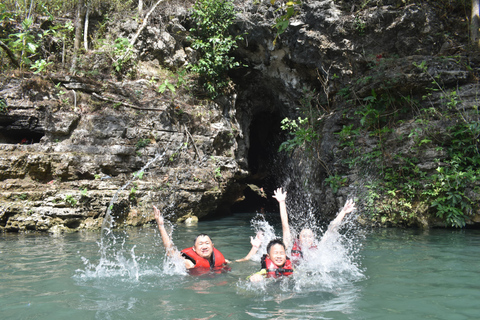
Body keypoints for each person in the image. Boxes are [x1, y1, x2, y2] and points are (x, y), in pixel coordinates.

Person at [272, 187, 356, 263]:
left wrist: (343, 212)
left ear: (313, 239)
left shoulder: (318, 250)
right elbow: (285, 226)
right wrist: (282, 202)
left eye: (310, 236)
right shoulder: (289, 246)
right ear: (298, 238)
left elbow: (331, 230)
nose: (307, 239)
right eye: (304, 236)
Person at [153, 205, 230, 272]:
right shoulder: (190, 262)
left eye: (207, 243)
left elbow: (229, 262)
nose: (204, 246)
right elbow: (171, 253)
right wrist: (161, 226)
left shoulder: (218, 258)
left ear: (213, 246)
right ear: (194, 249)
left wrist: (241, 260)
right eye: (200, 244)